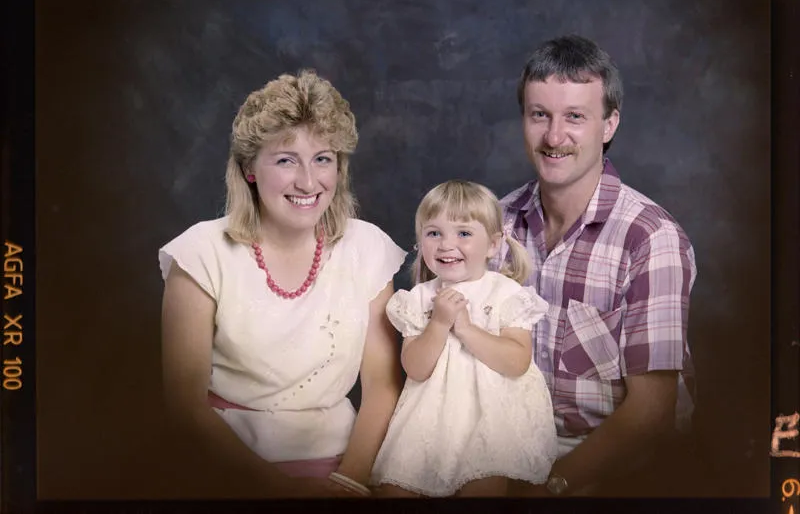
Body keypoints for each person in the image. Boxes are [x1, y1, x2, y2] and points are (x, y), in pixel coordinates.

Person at [158, 70, 407, 498]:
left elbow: (382, 388)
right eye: (286, 160)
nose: (309, 182)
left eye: (323, 158)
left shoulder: (366, 247)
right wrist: (284, 492)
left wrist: (347, 483)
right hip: (231, 469)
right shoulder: (200, 253)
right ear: (249, 169)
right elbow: (185, 408)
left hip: (344, 465)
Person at [492, 35, 697, 497]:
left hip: (615, 470)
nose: (553, 137)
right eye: (539, 114)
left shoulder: (649, 238)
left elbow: (651, 412)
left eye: (575, 117)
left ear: (609, 125)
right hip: (509, 454)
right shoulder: (496, 224)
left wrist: (550, 488)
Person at [370, 180, 558, 497]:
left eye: (464, 233)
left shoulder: (505, 293)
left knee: (482, 488)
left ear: (493, 245)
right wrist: (439, 324)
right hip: (431, 420)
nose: (446, 244)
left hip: (490, 421)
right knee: (395, 491)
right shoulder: (417, 299)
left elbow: (516, 362)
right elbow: (415, 369)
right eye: (434, 233)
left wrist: (468, 329)